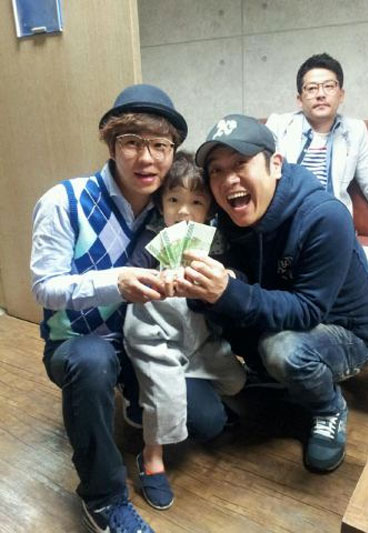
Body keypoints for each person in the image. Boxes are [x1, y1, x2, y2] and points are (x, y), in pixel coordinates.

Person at [30, 85, 228, 533]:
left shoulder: (169, 209)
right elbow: (44, 288)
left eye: (160, 146)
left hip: (149, 346)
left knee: (208, 420)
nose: (147, 158)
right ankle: (103, 498)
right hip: (80, 343)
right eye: (132, 142)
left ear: (172, 153)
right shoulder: (65, 201)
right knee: (92, 361)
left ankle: (134, 408)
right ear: (111, 145)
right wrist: (114, 282)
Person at [175, 114, 368, 474]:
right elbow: (241, 283)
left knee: (282, 350)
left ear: (276, 165)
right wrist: (214, 285)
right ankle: (269, 376)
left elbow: (307, 311)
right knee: (218, 309)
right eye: (217, 170)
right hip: (279, 316)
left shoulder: (323, 217)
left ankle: (329, 408)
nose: (228, 179)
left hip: (342, 332)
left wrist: (230, 291)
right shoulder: (229, 218)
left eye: (241, 164)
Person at [123, 151, 246, 510]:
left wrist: (227, 279)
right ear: (160, 203)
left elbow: (236, 279)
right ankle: (151, 458)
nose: (184, 212)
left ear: (210, 209)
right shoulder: (151, 239)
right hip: (153, 335)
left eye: (196, 202)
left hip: (196, 336)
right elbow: (131, 275)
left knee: (235, 379)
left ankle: (197, 403)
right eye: (174, 200)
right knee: (166, 398)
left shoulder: (214, 242)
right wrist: (153, 280)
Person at [266, 52, 368, 344]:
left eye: (328, 86)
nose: (320, 94)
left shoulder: (355, 131)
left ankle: (360, 310)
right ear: (299, 99)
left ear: (341, 94)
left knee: (329, 237)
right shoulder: (279, 126)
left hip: (330, 224)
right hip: (286, 221)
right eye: (311, 88)